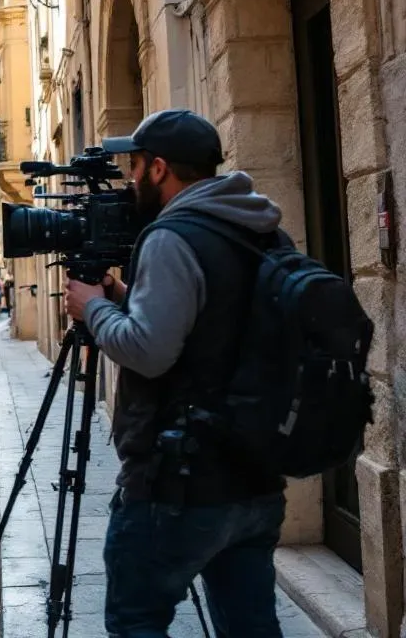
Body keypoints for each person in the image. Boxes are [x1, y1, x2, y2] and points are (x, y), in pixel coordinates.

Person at [63, 109, 287, 637]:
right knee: (251, 629)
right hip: (255, 480)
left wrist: (93, 308)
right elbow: (216, 324)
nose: (130, 179)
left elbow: (149, 351)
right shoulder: (263, 230)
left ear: (159, 168)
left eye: (135, 166)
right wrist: (123, 297)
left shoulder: (171, 237)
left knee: (136, 621)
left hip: (178, 484)